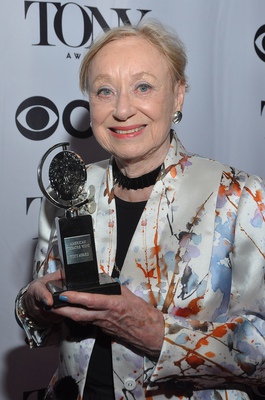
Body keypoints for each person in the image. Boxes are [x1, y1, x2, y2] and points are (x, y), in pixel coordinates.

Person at [15, 20, 265, 400]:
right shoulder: (70, 191)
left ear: (178, 95)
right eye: (104, 91)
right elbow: (42, 320)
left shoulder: (238, 196)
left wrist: (158, 334)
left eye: (143, 87)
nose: (122, 109)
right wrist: (36, 304)